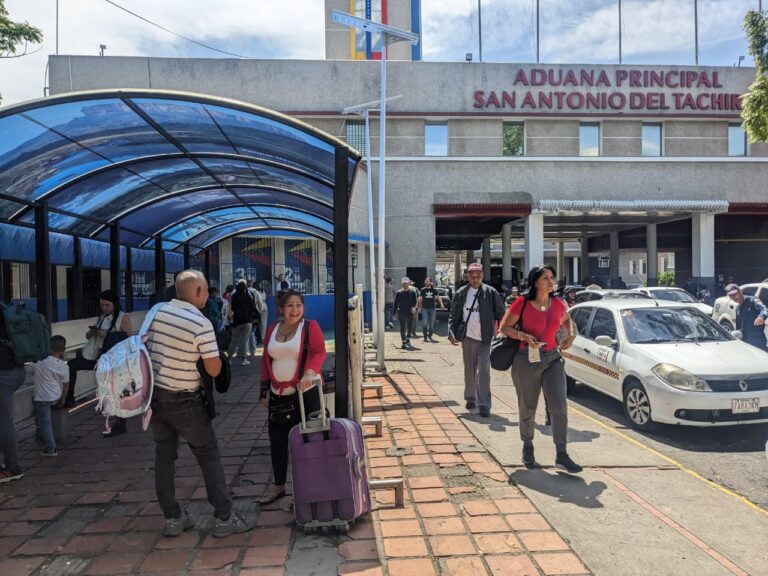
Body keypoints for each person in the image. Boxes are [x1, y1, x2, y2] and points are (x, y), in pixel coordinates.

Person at [146, 270, 252, 538]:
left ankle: (172, 518)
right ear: (196, 292)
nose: (208, 295)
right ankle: (224, 518)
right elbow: (214, 370)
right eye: (205, 290)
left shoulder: (157, 313)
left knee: (164, 458)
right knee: (208, 456)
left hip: (158, 397)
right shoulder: (199, 323)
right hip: (187, 401)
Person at [499, 265, 582, 473]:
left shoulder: (558, 303)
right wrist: (524, 336)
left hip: (553, 358)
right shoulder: (522, 303)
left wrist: (570, 335)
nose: (550, 281)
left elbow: (566, 321)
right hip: (526, 359)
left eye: (552, 277)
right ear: (535, 281)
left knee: (559, 406)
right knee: (528, 407)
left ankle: (561, 454)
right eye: (545, 278)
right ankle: (528, 446)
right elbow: (504, 328)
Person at [259, 290, 326, 505]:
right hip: (278, 395)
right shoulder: (272, 329)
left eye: (298, 305)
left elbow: (319, 352)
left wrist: (309, 373)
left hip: (305, 395)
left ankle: (307, 492)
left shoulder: (310, 327)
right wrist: (264, 388)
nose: (295, 310)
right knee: (277, 442)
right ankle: (279, 486)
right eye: (290, 305)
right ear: (280, 308)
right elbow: (265, 359)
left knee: (307, 444)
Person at [67, 289, 132, 437]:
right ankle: (69, 398)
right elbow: (91, 336)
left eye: (107, 305)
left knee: (115, 390)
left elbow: (128, 338)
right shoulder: (103, 317)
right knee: (71, 365)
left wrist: (107, 334)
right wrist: (93, 333)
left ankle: (120, 423)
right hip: (97, 355)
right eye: (102, 305)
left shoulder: (123, 318)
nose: (104, 308)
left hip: (113, 358)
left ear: (114, 304)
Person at [447, 263, 505, 418]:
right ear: (467, 276)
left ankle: (484, 404)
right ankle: (470, 397)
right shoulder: (461, 293)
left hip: (486, 339)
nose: (475, 279)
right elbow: (453, 315)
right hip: (468, 338)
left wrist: (506, 331)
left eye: (478, 276)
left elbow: (501, 314)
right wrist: (451, 331)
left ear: (482, 276)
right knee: (469, 370)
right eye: (472, 276)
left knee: (484, 372)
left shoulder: (490, 292)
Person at [0, 303, 25, 483]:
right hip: (17, 369)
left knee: (4, 422)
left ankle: (12, 467)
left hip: (3, 373)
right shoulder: (4, 309)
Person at [32, 336, 69, 457]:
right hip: (56, 396)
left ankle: (51, 448)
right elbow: (65, 386)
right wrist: (62, 399)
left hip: (42, 398)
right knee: (45, 419)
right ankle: (42, 436)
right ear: (63, 349)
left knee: (45, 423)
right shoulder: (64, 366)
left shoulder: (40, 361)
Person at [726, 283, 768, 350]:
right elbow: (738, 328)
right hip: (746, 342)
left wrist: (761, 316)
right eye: (731, 296)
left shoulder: (752, 300)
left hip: (758, 341)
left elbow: (764, 309)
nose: (734, 297)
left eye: (735, 294)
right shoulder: (738, 309)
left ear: (740, 291)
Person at [227, 280, 255, 365]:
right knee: (244, 341)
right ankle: (243, 359)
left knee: (234, 341)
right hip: (248, 321)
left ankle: (229, 358)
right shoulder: (248, 296)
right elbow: (252, 307)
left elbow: (232, 308)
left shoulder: (234, 296)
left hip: (237, 321)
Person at [393, 277, 418, 349]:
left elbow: (415, 302)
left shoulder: (412, 292)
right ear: (402, 284)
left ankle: (408, 339)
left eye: (406, 283)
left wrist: (414, 308)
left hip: (410, 312)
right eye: (404, 283)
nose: (405, 285)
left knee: (410, 327)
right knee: (403, 327)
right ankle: (404, 342)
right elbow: (396, 303)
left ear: (409, 283)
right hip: (401, 312)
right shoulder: (399, 292)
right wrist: (394, 313)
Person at [418, 277, 444, 342]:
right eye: (425, 281)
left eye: (428, 281)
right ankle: (425, 337)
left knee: (431, 324)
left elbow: (438, 297)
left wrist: (441, 304)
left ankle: (430, 335)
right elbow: (420, 299)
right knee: (425, 323)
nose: (426, 282)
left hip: (432, 308)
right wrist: (419, 307)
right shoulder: (422, 290)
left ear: (431, 282)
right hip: (425, 308)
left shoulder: (434, 290)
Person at [247, 280, 266, 349]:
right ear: (252, 285)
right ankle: (259, 340)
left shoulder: (244, 291)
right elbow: (260, 302)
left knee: (248, 328)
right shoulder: (255, 292)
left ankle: (248, 343)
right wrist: (260, 311)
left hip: (246, 313)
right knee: (256, 327)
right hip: (255, 312)